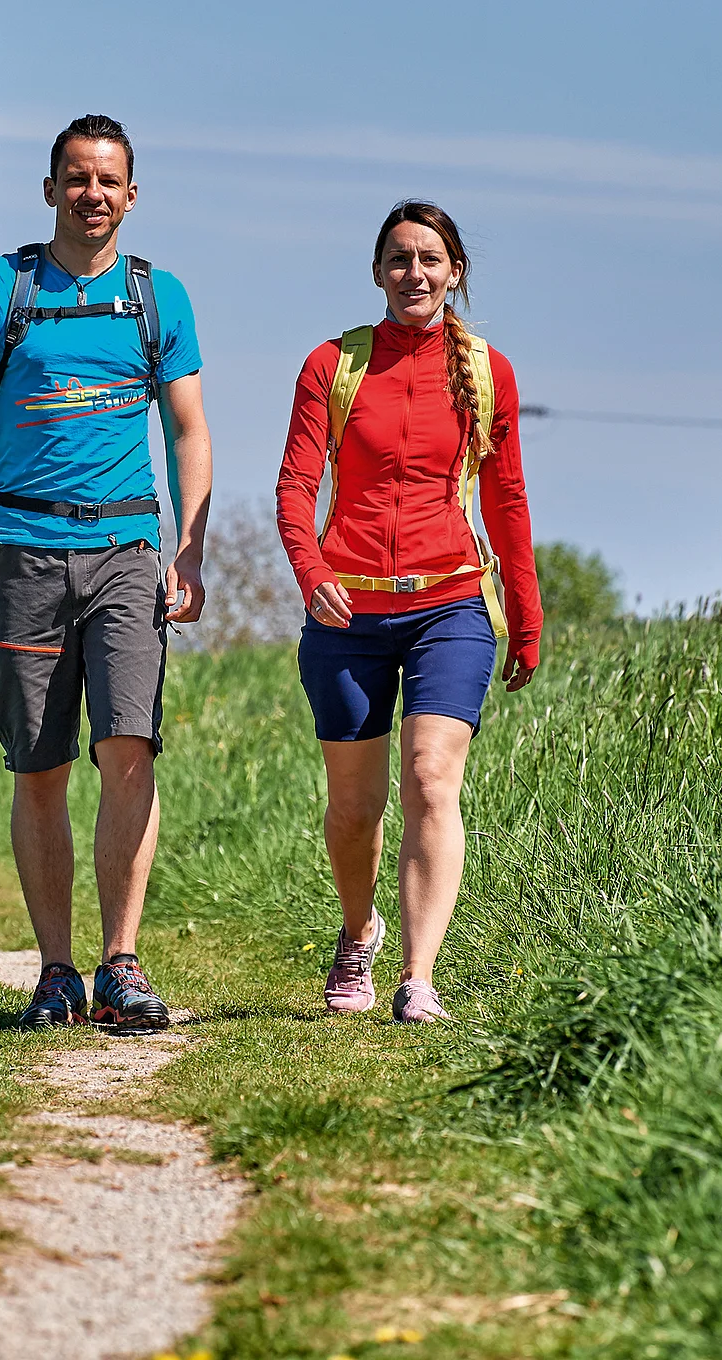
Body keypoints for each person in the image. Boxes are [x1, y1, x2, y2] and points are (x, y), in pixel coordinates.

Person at [0, 114, 213, 1033]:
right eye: (77, 179)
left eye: (108, 181)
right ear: (50, 189)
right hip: (21, 550)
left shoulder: (159, 298)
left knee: (130, 749)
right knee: (40, 765)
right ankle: (57, 972)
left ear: (132, 195)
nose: (93, 194)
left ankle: (121, 964)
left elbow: (188, 429)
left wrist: (189, 547)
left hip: (128, 550)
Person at [273, 200, 541, 1024]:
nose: (413, 273)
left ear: (454, 271)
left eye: (429, 259)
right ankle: (359, 930)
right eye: (398, 259)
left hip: (451, 604)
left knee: (430, 776)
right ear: (377, 272)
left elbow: (506, 498)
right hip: (346, 612)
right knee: (355, 809)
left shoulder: (488, 372)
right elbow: (295, 485)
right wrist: (311, 570)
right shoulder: (333, 364)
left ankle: (418, 977)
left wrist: (525, 616)